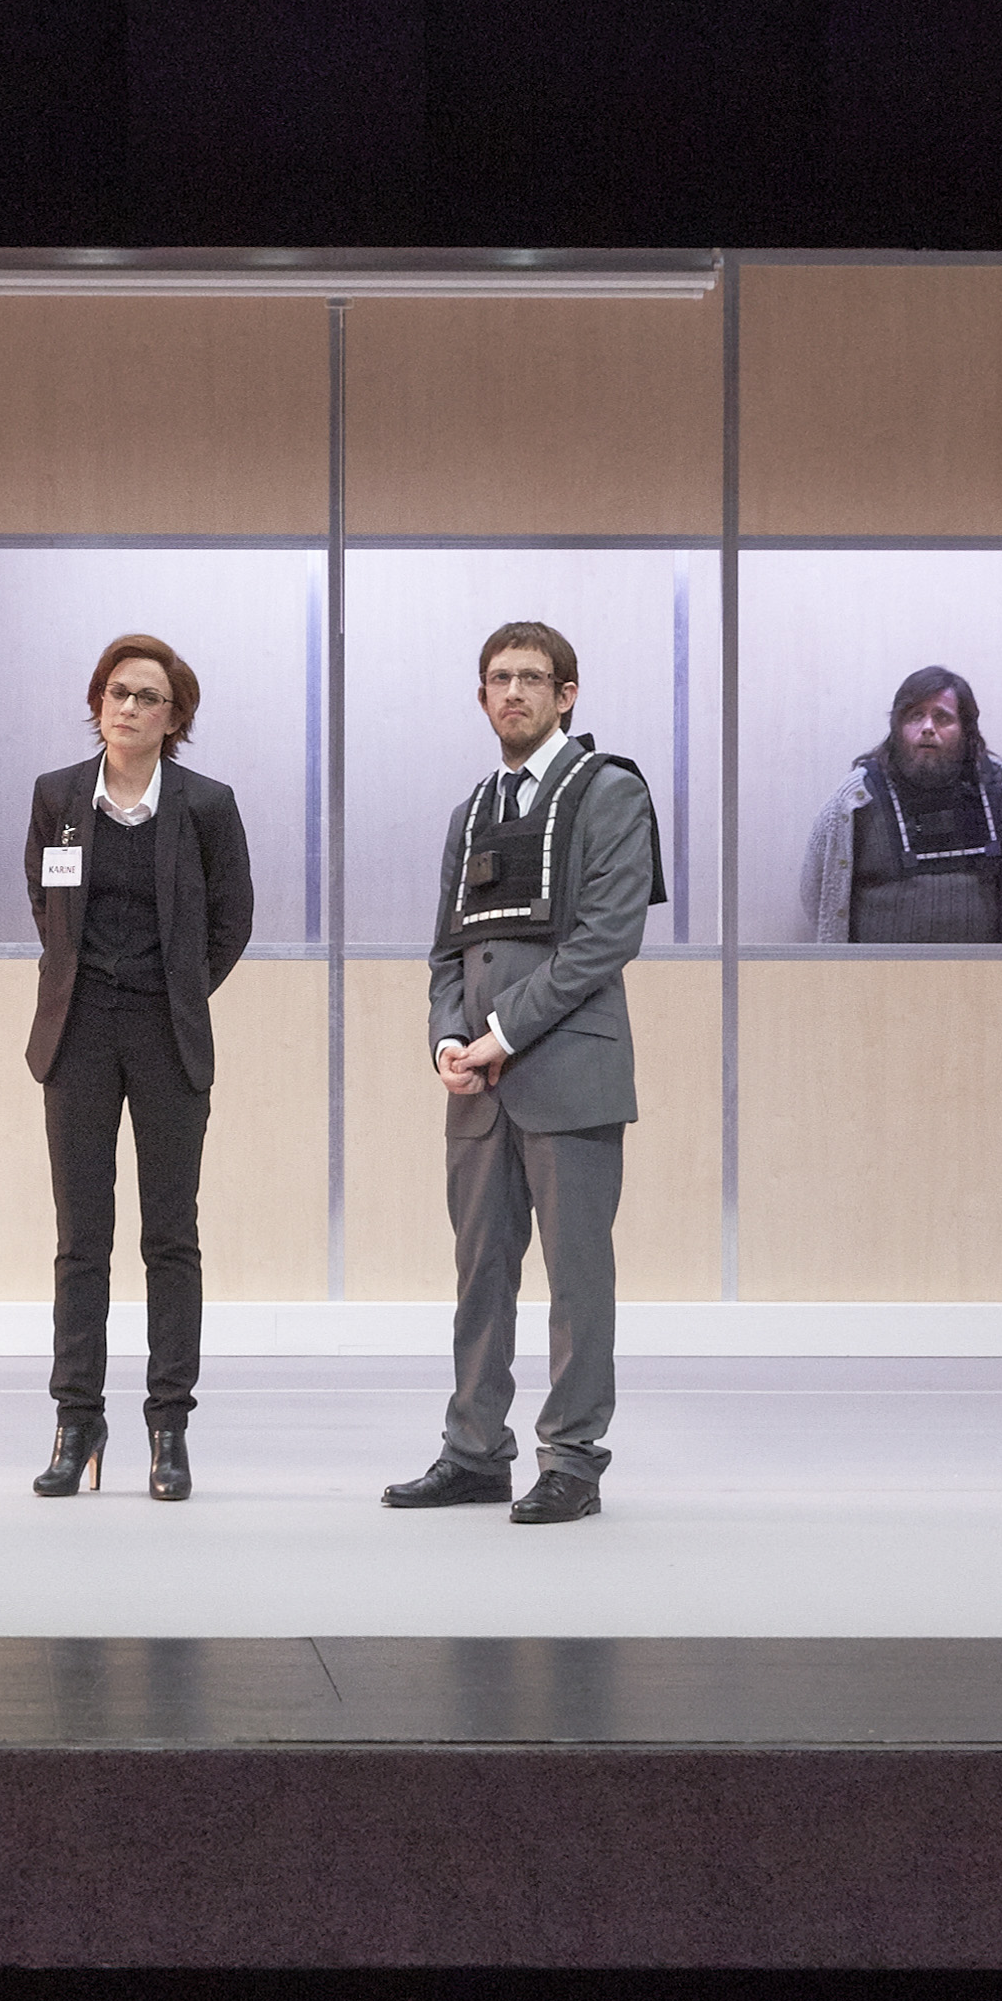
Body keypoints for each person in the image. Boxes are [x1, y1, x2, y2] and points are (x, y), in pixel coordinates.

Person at [387, 622, 666, 1526]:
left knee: (577, 1280)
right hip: (478, 1085)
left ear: (565, 694)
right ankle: (474, 1452)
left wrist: (501, 1032)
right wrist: (447, 1038)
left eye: (532, 678)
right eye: (498, 679)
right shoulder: (472, 809)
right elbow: (446, 950)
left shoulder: (610, 791)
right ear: (481, 697)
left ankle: (573, 1460)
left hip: (568, 1070)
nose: (513, 692)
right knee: (479, 1274)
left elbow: (606, 939)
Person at [16, 633, 257, 1503]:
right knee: (80, 1239)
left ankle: (168, 1427)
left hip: (165, 1034)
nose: (127, 707)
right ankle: (76, 1421)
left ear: (173, 716)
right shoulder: (57, 796)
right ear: (98, 703)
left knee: (169, 1237)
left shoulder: (206, 806)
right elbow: (45, 904)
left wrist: (176, 991)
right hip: (77, 1034)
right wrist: (86, 984)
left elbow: (231, 919)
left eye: (146, 697)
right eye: (116, 692)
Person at [792, 665, 1002, 943]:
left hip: (978, 968)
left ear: (966, 729)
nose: (928, 728)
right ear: (897, 726)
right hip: (876, 968)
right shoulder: (857, 797)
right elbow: (817, 887)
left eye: (943, 717)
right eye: (915, 716)